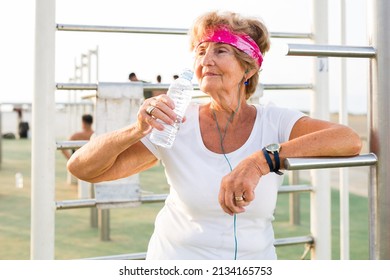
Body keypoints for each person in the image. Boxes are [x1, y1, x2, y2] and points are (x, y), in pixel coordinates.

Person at [67, 11, 362, 260]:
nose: (206, 59)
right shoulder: (176, 121)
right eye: (200, 50)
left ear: (249, 68)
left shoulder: (275, 120)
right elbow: (82, 168)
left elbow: (348, 139)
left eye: (220, 50)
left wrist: (260, 161)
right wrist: (136, 129)